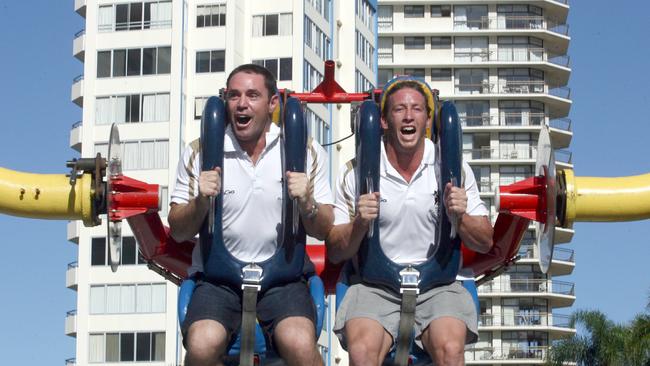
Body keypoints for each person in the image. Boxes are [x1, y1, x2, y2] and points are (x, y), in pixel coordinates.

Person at [168, 64, 334, 366]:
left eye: (252, 95)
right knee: (202, 344)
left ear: (272, 104)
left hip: (284, 280)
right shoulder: (200, 152)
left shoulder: (305, 151)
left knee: (298, 343)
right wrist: (200, 202)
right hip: (219, 281)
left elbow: (324, 229)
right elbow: (177, 229)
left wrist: (307, 201)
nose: (242, 104)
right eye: (234, 96)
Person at [326, 77, 493, 366]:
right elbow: (336, 250)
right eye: (399, 109)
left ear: (428, 119)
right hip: (374, 285)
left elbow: (486, 240)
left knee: (450, 350)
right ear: (384, 120)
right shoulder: (354, 170)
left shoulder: (452, 166)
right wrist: (359, 224)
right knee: (363, 352)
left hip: (438, 285)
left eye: (416, 109)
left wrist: (460, 217)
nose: (408, 116)